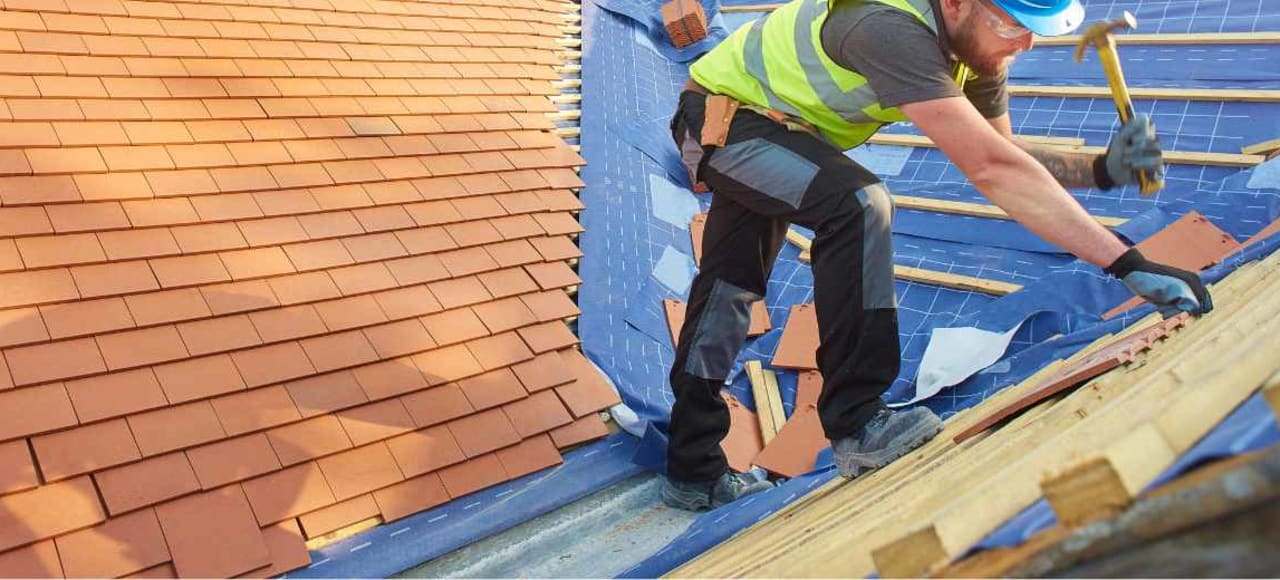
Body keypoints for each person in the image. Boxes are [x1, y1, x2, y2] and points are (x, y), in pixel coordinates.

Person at [660, 0, 1214, 511]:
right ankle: (857, 420)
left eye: (1033, 32)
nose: (1023, 44)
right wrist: (1126, 263)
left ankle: (692, 468)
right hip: (723, 119)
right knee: (859, 205)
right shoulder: (887, 29)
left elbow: (1003, 154)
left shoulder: (979, 49)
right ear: (955, 3)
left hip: (777, 130)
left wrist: (1099, 170)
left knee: (729, 289)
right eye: (1013, 25)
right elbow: (992, 171)